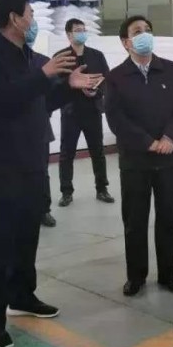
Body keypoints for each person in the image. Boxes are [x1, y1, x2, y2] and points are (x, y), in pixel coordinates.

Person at [0, 0, 102, 347]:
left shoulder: (29, 56)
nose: (33, 19)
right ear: (14, 18)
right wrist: (43, 75)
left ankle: (22, 297)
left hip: (32, 160)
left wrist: (70, 88)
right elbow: (0, 101)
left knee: (27, 236)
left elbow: (40, 103)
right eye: (29, 12)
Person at [105, 15, 173, 297]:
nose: (144, 34)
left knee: (169, 221)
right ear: (126, 42)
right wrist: (146, 142)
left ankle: (169, 274)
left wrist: (169, 138)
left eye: (148, 29)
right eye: (137, 31)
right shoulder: (116, 77)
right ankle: (136, 276)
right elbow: (116, 118)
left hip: (169, 160)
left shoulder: (171, 71)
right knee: (135, 223)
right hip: (135, 162)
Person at [56, 18, 114, 207]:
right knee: (67, 153)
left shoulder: (97, 56)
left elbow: (106, 80)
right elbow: (55, 84)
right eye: (77, 30)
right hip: (71, 111)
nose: (81, 32)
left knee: (97, 151)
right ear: (69, 34)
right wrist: (73, 86)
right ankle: (66, 192)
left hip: (92, 110)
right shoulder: (61, 57)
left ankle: (102, 189)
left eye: (83, 29)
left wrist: (96, 91)